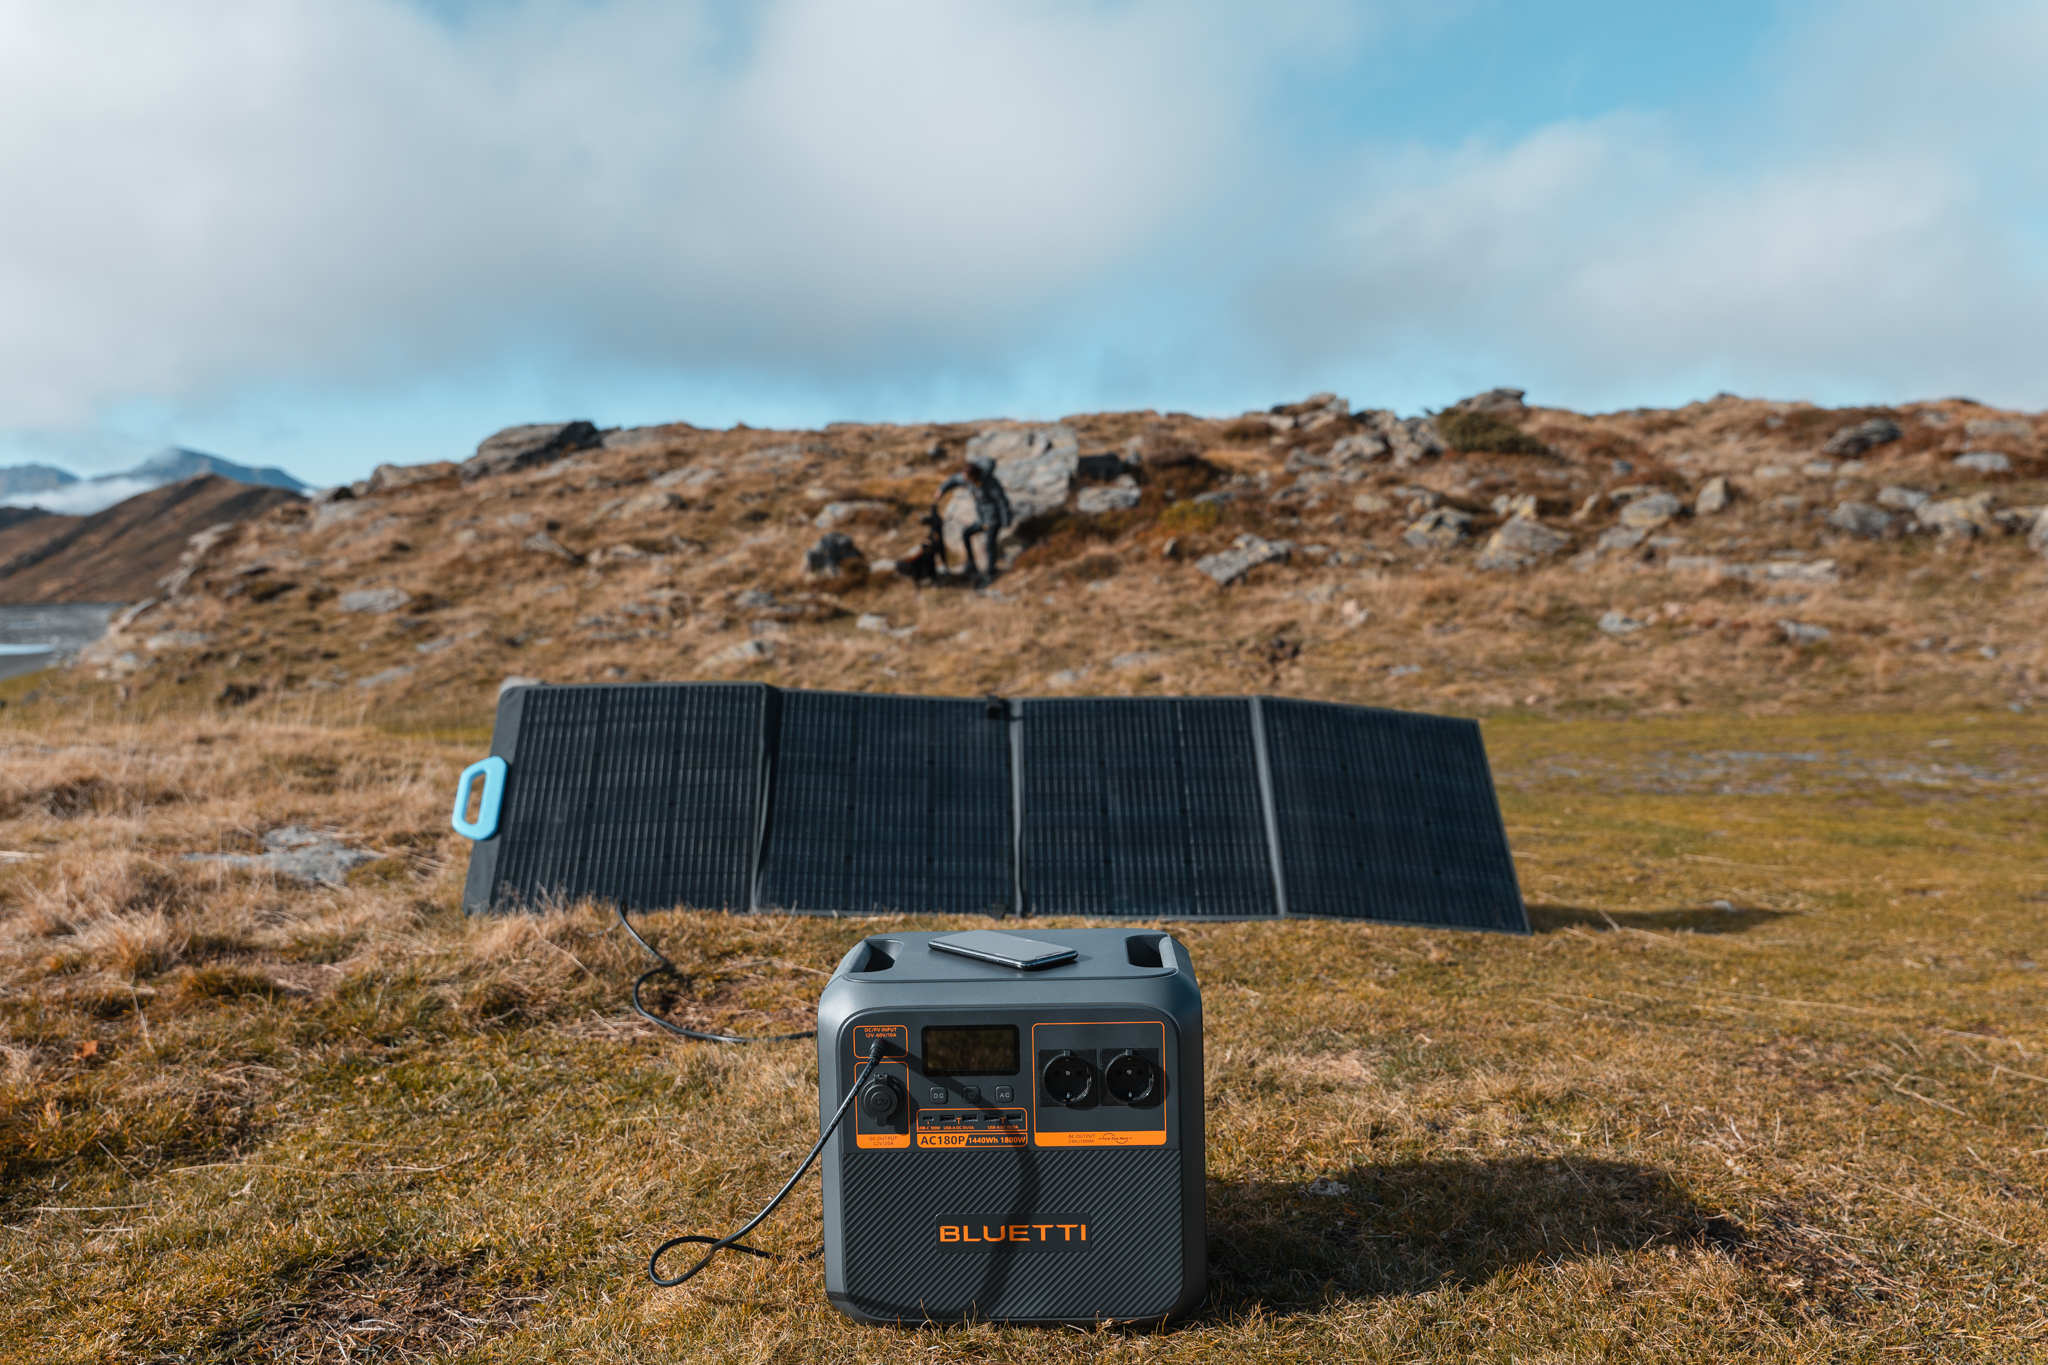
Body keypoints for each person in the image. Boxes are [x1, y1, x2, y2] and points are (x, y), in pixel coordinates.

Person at [937, 455, 1014, 586]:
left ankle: (991, 572)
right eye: (964, 476)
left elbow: (1002, 501)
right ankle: (971, 564)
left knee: (989, 545)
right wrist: (942, 489)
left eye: (966, 477)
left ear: (974, 475)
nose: (964, 479)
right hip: (982, 519)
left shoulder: (990, 483)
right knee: (966, 534)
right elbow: (955, 479)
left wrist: (1006, 521)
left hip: (993, 520)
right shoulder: (969, 479)